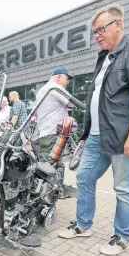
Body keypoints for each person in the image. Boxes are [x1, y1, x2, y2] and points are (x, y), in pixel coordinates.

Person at [58, 4, 129, 256]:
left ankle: (123, 236)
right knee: (83, 177)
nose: (97, 36)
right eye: (94, 32)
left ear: (118, 24)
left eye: (100, 29)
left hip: (123, 136)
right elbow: (98, 98)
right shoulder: (103, 58)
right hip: (96, 136)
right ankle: (83, 225)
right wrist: (85, 136)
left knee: (124, 188)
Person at [34, 67, 78, 199]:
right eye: (66, 78)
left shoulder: (42, 90)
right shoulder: (55, 88)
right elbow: (72, 104)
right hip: (53, 132)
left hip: (44, 132)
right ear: (58, 77)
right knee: (50, 166)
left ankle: (52, 192)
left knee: (49, 164)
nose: (67, 82)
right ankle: (46, 198)